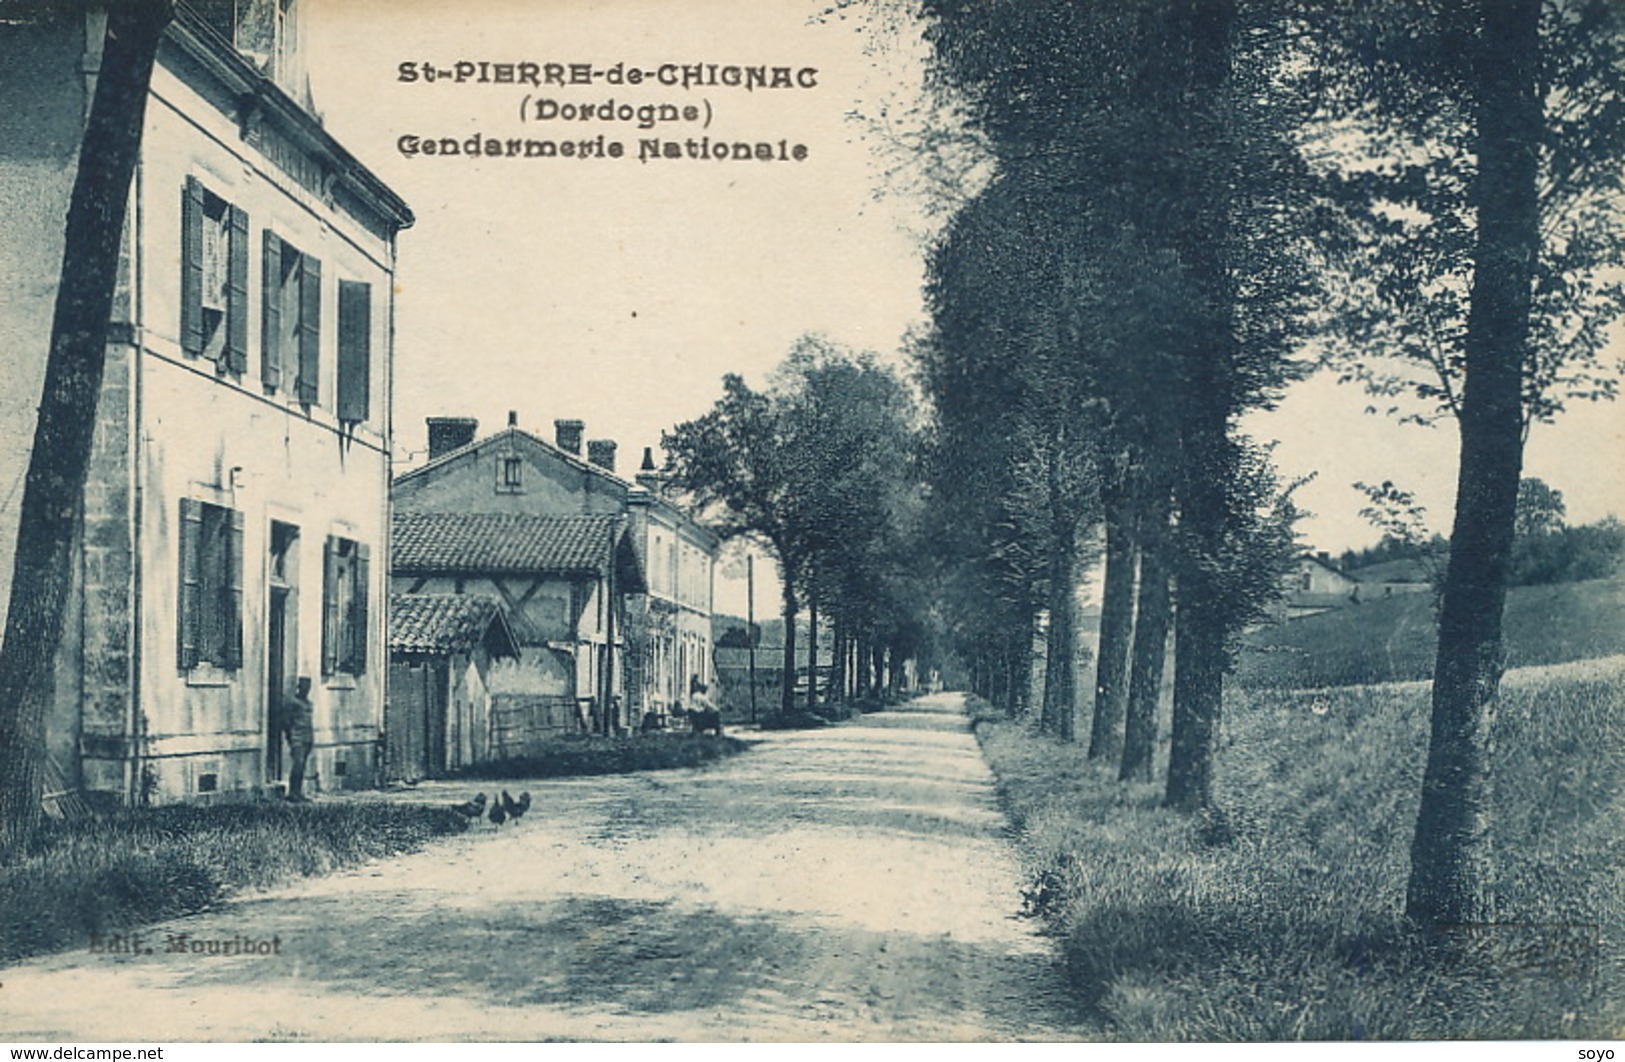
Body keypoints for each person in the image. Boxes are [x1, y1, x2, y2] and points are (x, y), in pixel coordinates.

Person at [284, 676, 314, 802]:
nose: (306, 690)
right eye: (303, 687)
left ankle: (298, 792)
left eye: (308, 687)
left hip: (308, 737)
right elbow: (286, 721)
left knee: (302, 767)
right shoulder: (293, 702)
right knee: (298, 764)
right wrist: (290, 737)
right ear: (299, 687)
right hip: (297, 737)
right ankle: (292, 792)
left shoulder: (309, 703)